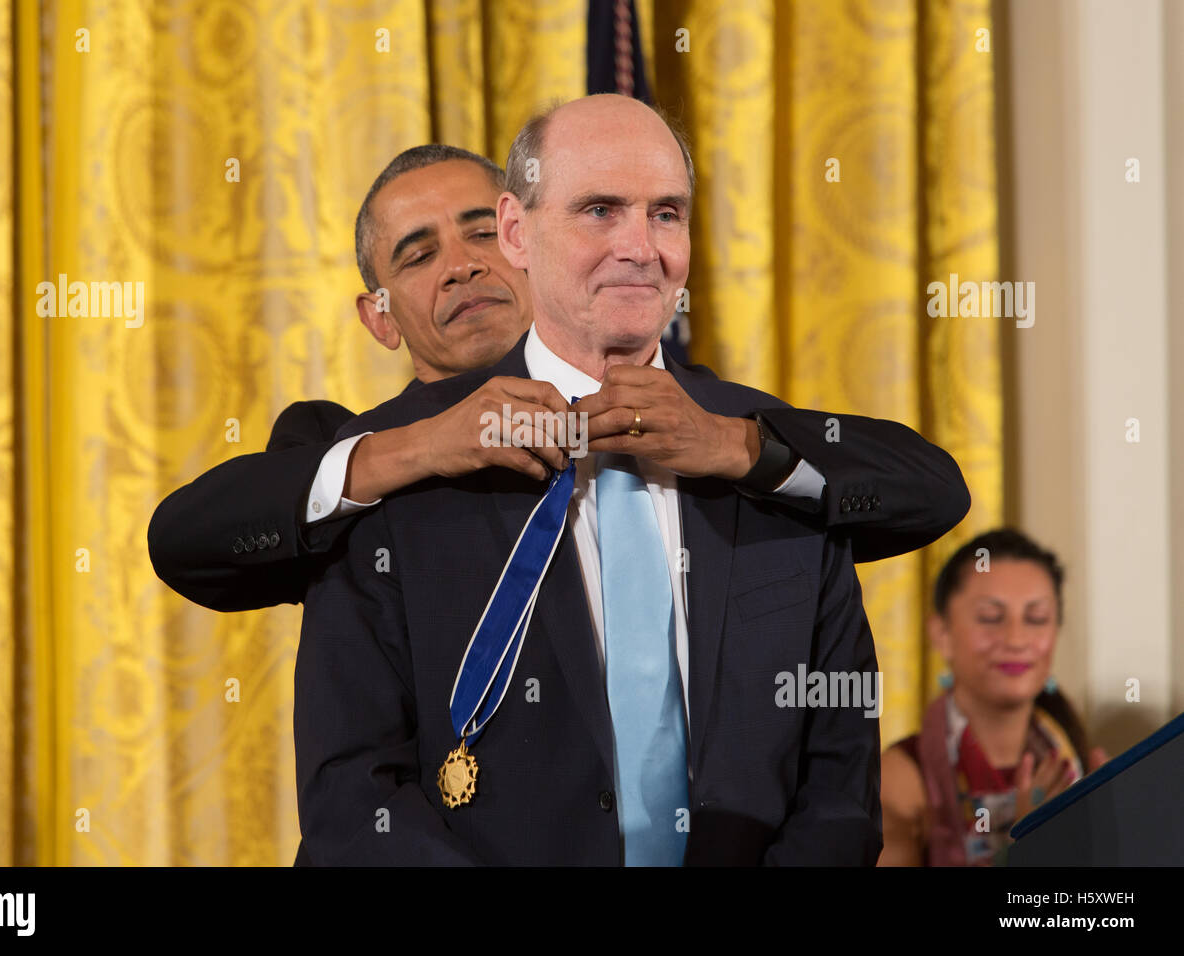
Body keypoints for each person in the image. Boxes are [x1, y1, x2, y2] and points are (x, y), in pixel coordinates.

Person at [294, 94, 955, 865]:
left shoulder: (763, 448)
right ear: (516, 231)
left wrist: (735, 448)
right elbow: (353, 789)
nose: (640, 247)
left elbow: (840, 786)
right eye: (601, 211)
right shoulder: (411, 455)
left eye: (666, 214)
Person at [148, 145, 970, 613]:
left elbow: (931, 493)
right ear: (381, 318)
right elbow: (186, 545)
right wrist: (425, 447)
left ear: (530, 246)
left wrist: (727, 444)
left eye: (481, 234)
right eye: (419, 254)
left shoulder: (699, 414)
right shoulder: (346, 453)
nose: (462, 267)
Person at [877, 528, 1108, 866]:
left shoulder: (1075, 765)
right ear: (941, 634)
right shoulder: (901, 779)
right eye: (990, 618)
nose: (1016, 639)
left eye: (1036, 618)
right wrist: (1026, 844)